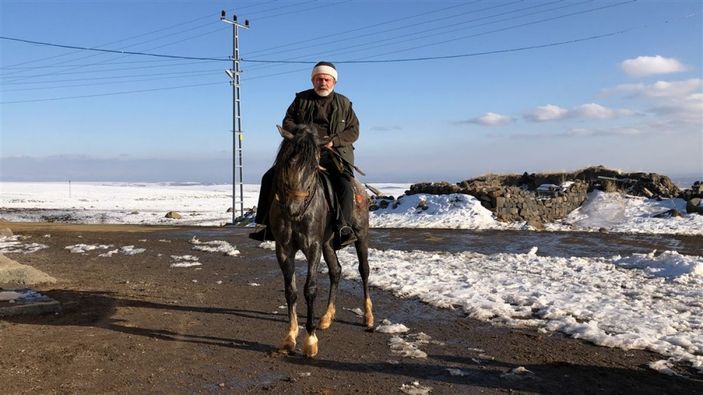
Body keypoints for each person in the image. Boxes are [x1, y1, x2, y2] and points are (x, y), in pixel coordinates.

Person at [250, 61, 360, 247]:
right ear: (313, 80)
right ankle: (265, 225)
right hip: (303, 152)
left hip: (333, 153)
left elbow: (353, 130)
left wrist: (335, 141)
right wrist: (303, 136)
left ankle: (343, 228)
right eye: (318, 79)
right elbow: (288, 121)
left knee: (345, 184)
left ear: (334, 81)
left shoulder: (344, 103)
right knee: (269, 177)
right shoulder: (301, 100)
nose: (322, 82)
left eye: (326, 79)